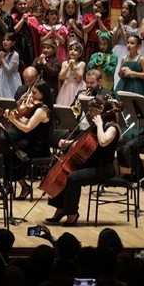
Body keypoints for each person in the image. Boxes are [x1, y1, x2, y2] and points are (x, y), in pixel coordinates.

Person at [45, 93, 120, 226]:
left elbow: (103, 141)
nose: (90, 113)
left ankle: (72, 214)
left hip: (104, 168)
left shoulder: (112, 127)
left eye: (92, 110)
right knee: (62, 168)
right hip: (91, 163)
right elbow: (83, 143)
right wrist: (68, 143)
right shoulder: (96, 125)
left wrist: (100, 125)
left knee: (73, 178)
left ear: (101, 109)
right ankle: (61, 208)